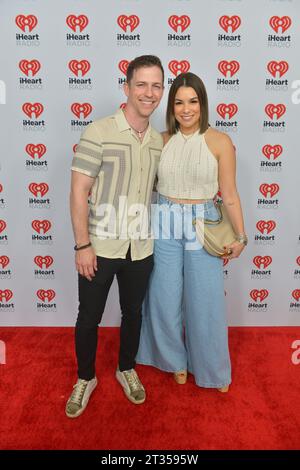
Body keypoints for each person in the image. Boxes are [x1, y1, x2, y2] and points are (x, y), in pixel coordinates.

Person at [66, 55, 164, 418]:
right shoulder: (99, 131)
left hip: (141, 246)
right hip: (100, 245)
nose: (149, 92)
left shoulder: (158, 140)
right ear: (126, 87)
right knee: (88, 316)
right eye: (141, 84)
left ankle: (127, 369)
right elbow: (78, 191)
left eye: (156, 85)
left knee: (133, 312)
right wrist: (82, 244)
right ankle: (85, 378)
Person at [136, 72, 247, 392]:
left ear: (203, 103)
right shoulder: (161, 140)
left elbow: (229, 192)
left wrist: (240, 236)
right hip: (165, 220)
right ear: (171, 106)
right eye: (179, 102)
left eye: (193, 101)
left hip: (204, 222)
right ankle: (175, 361)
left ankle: (212, 369)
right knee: (163, 296)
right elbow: (142, 186)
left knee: (206, 299)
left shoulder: (220, 141)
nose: (186, 109)